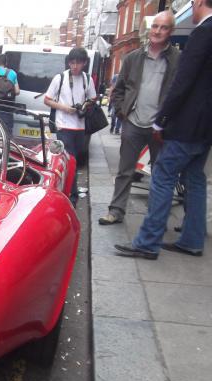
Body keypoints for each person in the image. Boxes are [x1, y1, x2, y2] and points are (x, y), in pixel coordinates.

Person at [115, 0, 212, 259]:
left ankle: (148, 242)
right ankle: (192, 239)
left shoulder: (203, 32)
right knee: (195, 179)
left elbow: (182, 84)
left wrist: (162, 119)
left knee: (162, 177)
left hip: (186, 126)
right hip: (205, 129)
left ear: (199, 2)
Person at [99, 11, 180, 225]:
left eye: (163, 28)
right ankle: (116, 210)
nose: (157, 31)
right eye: (155, 26)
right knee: (125, 170)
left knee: (161, 175)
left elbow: (179, 93)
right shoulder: (133, 57)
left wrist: (168, 121)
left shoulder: (177, 60)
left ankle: (155, 218)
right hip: (133, 121)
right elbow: (119, 90)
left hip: (160, 127)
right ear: (149, 29)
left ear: (170, 32)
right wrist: (121, 112)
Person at [44, 47, 97, 206]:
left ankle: (65, 193)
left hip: (80, 127)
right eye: (72, 62)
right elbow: (47, 100)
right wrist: (64, 108)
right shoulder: (60, 78)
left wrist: (85, 105)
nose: (75, 66)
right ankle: (71, 197)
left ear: (84, 63)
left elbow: (93, 98)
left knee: (73, 162)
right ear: (68, 62)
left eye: (78, 63)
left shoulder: (87, 79)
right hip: (63, 126)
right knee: (70, 160)